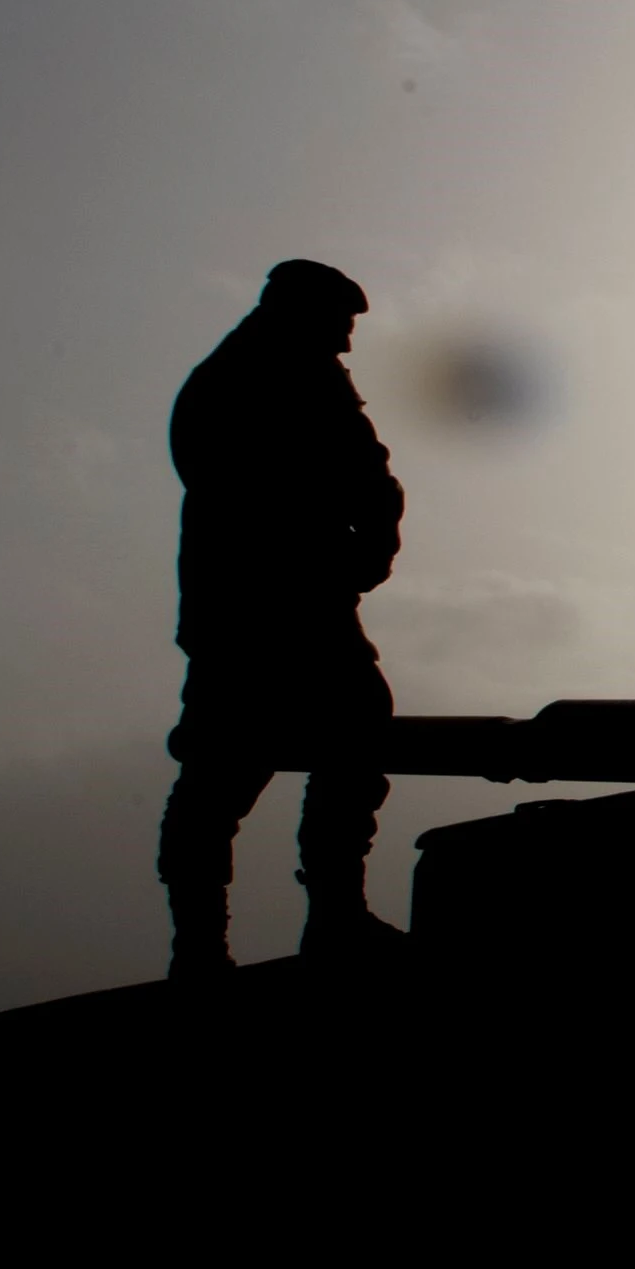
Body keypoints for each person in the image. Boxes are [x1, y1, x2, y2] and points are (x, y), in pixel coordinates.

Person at [151, 259, 406, 982]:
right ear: (303, 311)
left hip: (272, 610)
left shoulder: (282, 374)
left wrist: (371, 534)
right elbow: (342, 473)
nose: (347, 344)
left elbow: (366, 470)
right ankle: (226, 941)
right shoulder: (255, 380)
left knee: (334, 741)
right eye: (342, 324)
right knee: (231, 775)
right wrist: (354, 538)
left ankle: (312, 919)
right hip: (263, 614)